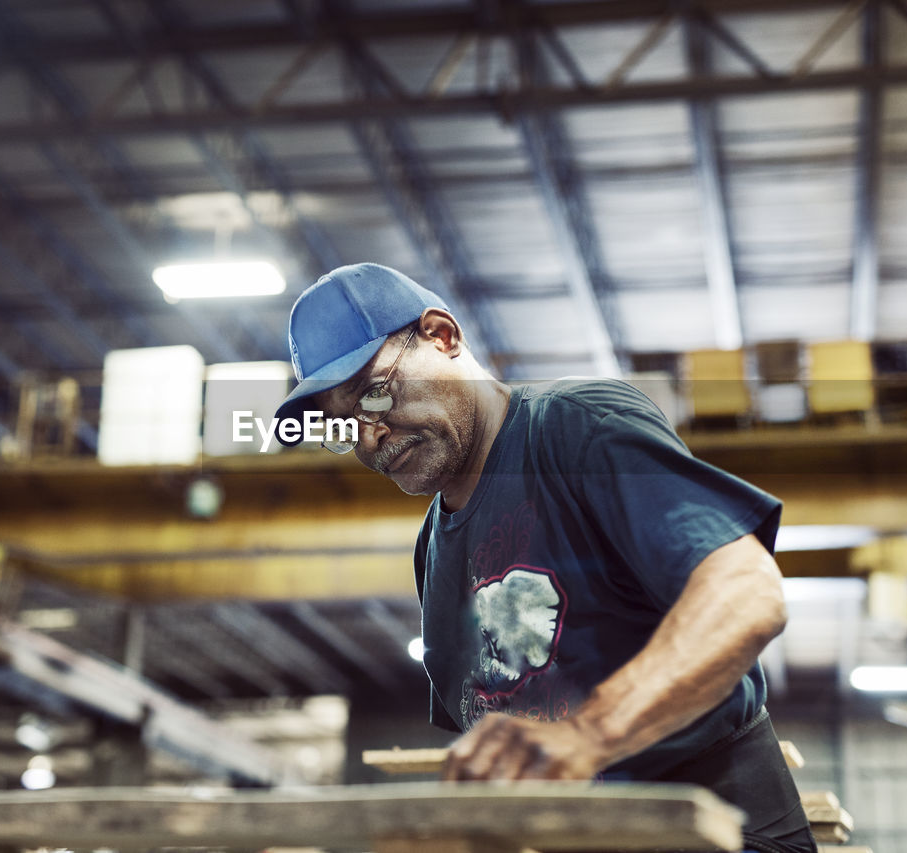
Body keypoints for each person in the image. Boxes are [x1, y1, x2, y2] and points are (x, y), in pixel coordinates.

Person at [273, 263, 816, 853]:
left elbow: (746, 592)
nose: (369, 437)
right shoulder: (435, 549)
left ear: (442, 336)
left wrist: (591, 734)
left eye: (377, 393)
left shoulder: (576, 430)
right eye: (342, 424)